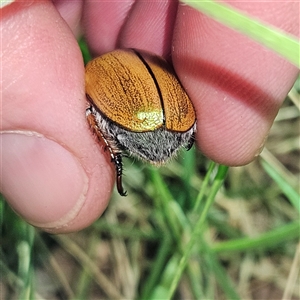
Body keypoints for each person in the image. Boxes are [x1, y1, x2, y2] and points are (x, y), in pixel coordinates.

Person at [1, 1, 298, 233]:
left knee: (90, 112)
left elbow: (91, 113)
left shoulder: (103, 66)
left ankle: (113, 154)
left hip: (152, 117)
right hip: (168, 117)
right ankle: (115, 153)